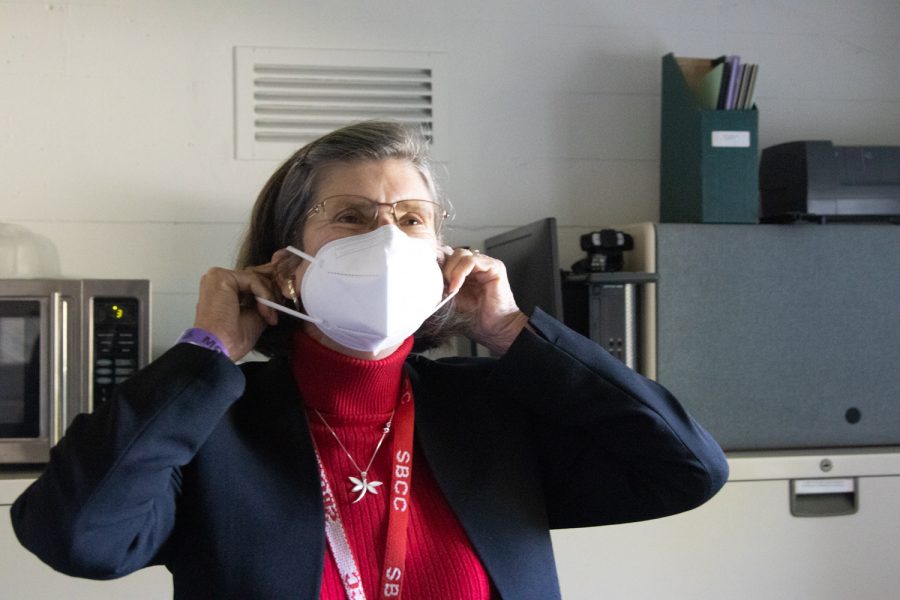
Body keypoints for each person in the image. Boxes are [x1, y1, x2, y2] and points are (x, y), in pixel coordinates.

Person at [11, 121, 729, 599]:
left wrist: (511, 331)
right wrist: (208, 356)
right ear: (285, 262)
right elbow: (76, 536)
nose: (387, 240)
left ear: (443, 252)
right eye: (350, 217)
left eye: (412, 220)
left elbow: (687, 469)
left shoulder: (491, 412)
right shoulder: (216, 428)